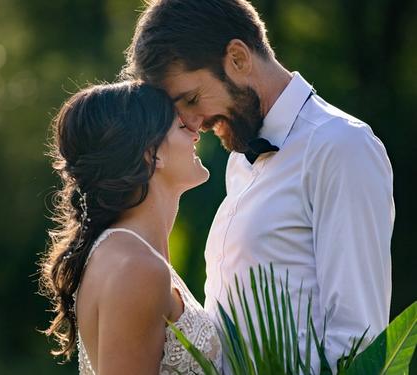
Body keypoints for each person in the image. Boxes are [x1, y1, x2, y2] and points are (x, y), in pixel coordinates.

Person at [123, 0, 394, 372]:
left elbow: (359, 340)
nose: (192, 122)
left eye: (192, 99)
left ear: (237, 58)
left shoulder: (341, 146)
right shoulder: (239, 158)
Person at [39, 81, 222, 374]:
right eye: (180, 126)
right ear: (151, 153)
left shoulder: (130, 255)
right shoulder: (136, 267)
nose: (196, 132)